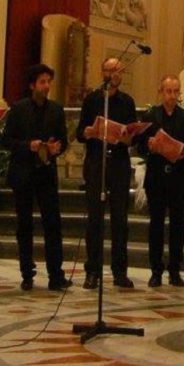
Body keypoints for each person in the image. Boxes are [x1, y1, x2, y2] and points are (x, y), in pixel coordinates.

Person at [3, 63, 71, 292]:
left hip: (46, 173)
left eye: (48, 82)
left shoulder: (56, 110)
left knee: (53, 224)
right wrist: (29, 146)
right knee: (25, 224)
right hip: (24, 173)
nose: (46, 86)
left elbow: (63, 141)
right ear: (32, 85)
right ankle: (26, 272)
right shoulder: (19, 108)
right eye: (42, 82)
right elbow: (7, 141)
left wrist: (55, 149)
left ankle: (56, 274)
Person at [77, 57, 139, 290]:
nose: (115, 74)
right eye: (111, 70)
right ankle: (92, 270)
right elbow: (80, 132)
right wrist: (90, 131)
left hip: (120, 162)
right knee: (94, 218)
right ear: (102, 72)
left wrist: (128, 136)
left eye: (119, 70)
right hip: (96, 161)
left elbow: (133, 133)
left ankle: (119, 271)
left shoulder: (127, 101)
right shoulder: (92, 99)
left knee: (120, 219)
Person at [137, 74, 184, 288]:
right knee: (156, 225)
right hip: (156, 177)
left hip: (179, 177)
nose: (172, 96)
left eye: (175, 91)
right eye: (168, 91)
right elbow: (139, 146)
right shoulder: (151, 115)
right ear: (160, 92)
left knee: (177, 225)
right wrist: (150, 145)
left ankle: (175, 269)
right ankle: (156, 270)